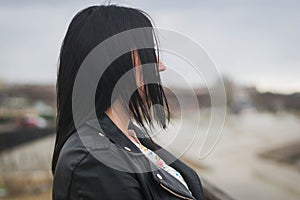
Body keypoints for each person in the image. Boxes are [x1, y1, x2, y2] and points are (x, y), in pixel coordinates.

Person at [52, 5, 204, 200]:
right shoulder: (97, 162)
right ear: (115, 61)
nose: (161, 66)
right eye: (149, 53)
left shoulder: (128, 138)